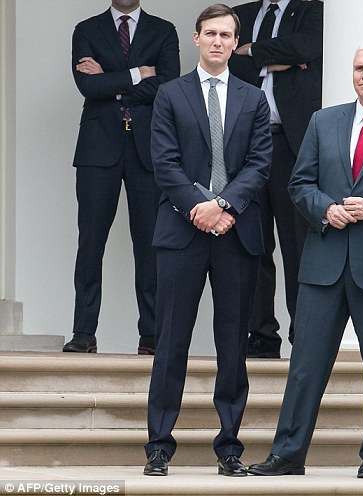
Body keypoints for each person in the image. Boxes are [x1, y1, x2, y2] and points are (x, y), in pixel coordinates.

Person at [247, 42, 363, 478]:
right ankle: (288, 454)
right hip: (324, 262)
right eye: (358, 68)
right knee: (305, 365)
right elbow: (300, 183)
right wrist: (324, 209)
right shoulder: (323, 121)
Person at [142, 4, 272, 477]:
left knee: (232, 343)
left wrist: (225, 207)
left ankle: (229, 446)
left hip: (235, 234)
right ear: (196, 38)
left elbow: (260, 163)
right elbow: (164, 161)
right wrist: (199, 208)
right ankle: (158, 445)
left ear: (236, 44)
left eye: (226, 35)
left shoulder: (253, 97)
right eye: (210, 33)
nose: (218, 41)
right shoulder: (170, 94)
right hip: (182, 231)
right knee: (171, 338)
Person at [64, 0, 180, 354]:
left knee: (149, 243)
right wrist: (136, 74)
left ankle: (152, 334)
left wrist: (110, 79)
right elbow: (88, 87)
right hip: (98, 148)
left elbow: (167, 85)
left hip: (147, 148)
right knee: (91, 241)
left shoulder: (163, 30)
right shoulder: (86, 29)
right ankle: (83, 332)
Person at [229, 0, 323, 358]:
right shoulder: (241, 14)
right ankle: (261, 335)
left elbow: (307, 47)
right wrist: (279, 60)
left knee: (297, 242)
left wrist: (252, 51)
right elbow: (226, 64)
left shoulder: (313, 10)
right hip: (247, 143)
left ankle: (304, 334)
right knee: (252, 243)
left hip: (292, 143)